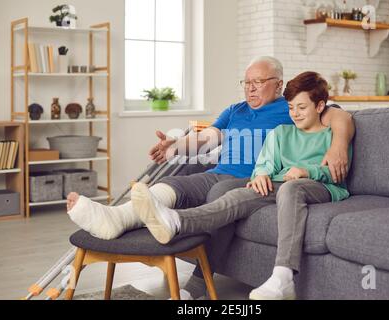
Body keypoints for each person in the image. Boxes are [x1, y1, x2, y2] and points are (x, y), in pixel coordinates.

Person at [66, 57, 355, 300]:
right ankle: (117, 218)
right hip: (219, 173)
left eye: (258, 82)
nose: (250, 89)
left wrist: (339, 144)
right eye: (246, 83)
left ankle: (198, 281)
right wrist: (175, 147)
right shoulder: (235, 110)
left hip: (248, 180)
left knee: (222, 195)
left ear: (278, 84)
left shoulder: (290, 108)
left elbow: (339, 117)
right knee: (174, 184)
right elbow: (207, 137)